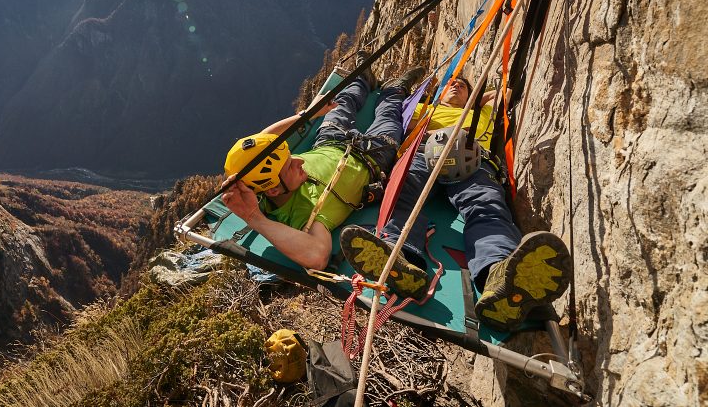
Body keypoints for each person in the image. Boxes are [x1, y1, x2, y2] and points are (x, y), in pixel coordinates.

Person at [340, 76, 572, 331]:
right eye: (450, 83)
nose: (456, 85)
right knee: (403, 198)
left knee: (486, 205)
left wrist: (473, 102)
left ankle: (498, 276)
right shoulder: (424, 108)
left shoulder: (481, 112)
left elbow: (505, 90)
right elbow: (403, 118)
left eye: (462, 85)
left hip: (472, 159)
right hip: (424, 153)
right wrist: (453, 100)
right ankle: (398, 257)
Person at [221, 62, 425, 271]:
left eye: (292, 158)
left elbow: (267, 137)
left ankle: (363, 80)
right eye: (290, 166)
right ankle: (396, 90)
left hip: (330, 141)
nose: (300, 161)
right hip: (372, 158)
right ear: (273, 189)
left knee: (341, 102)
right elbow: (317, 256)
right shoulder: (303, 214)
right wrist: (253, 218)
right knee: (389, 115)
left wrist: (308, 114)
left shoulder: (269, 179)